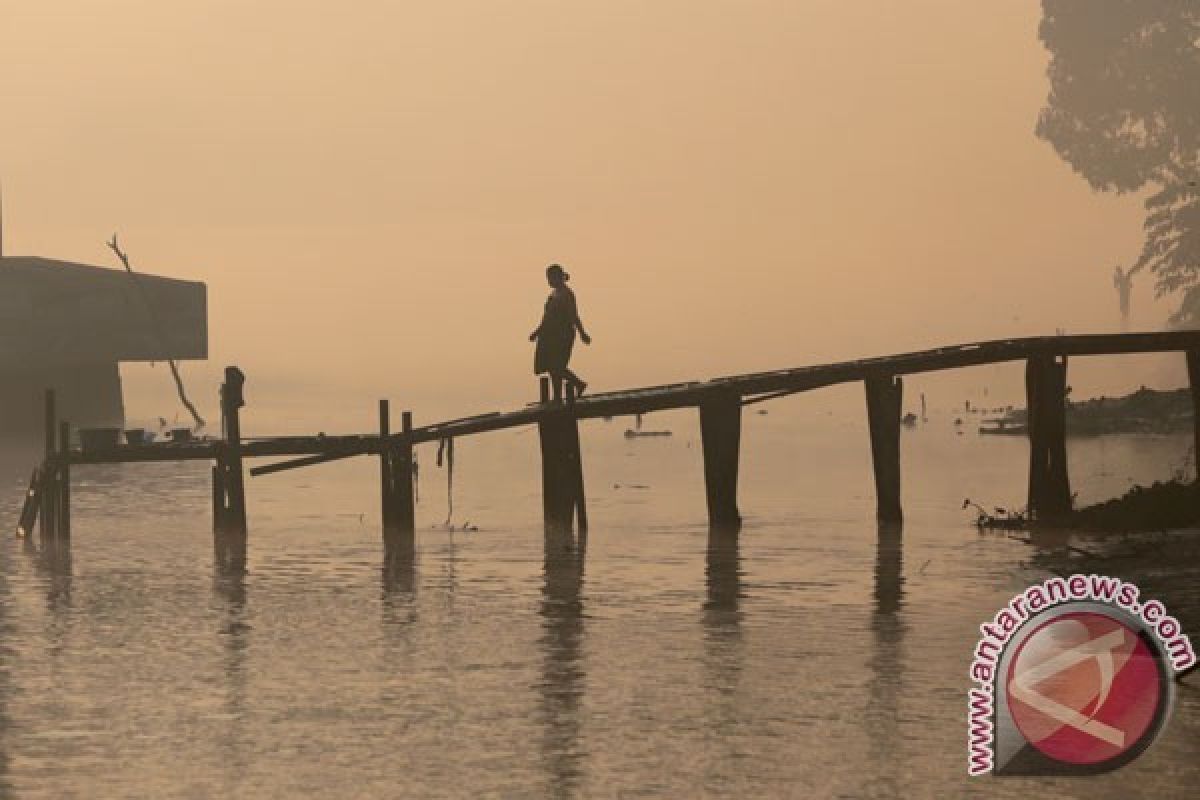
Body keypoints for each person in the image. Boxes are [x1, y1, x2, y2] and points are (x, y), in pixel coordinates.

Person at [530, 263, 591, 401]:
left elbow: (573, 315)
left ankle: (579, 384)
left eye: (551, 278)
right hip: (549, 336)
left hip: (563, 335)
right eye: (548, 278)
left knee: (558, 366)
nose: (549, 281)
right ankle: (557, 396)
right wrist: (537, 332)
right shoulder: (553, 294)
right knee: (551, 367)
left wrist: (582, 333)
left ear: (559, 277)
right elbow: (546, 317)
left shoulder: (567, 294)